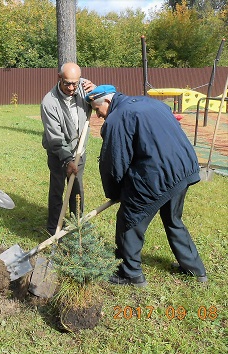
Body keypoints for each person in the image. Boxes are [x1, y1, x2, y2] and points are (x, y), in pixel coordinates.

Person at [85, 85, 207, 287]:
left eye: (97, 111)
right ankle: (195, 270)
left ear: (107, 102)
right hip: (184, 167)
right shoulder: (149, 103)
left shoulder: (117, 119)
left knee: (129, 220)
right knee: (173, 219)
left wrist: (115, 193)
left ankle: (130, 274)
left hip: (157, 173)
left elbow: (114, 162)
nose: (98, 116)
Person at [40, 63, 96, 235]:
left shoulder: (84, 88)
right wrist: (67, 160)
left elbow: (107, 100)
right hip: (58, 152)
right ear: (59, 78)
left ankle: (76, 228)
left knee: (77, 189)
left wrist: (97, 92)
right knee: (57, 189)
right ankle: (53, 229)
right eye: (67, 83)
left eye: (75, 83)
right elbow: (56, 138)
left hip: (79, 150)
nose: (72, 88)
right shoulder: (49, 102)